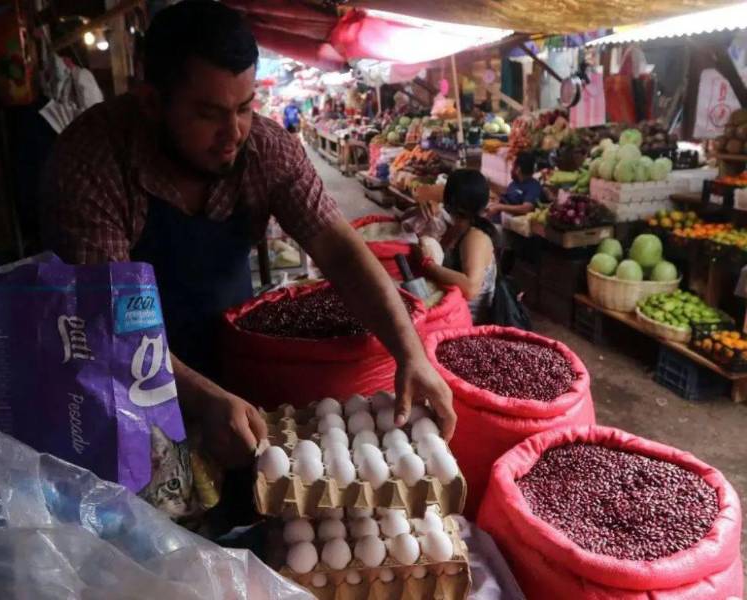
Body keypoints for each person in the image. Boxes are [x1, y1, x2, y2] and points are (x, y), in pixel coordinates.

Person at [40, 1, 454, 473]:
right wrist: (204, 398)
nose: (232, 133)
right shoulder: (93, 164)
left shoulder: (266, 150)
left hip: (230, 362)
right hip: (119, 387)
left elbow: (340, 250)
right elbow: (106, 324)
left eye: (244, 108)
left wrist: (409, 352)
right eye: (209, 114)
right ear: (153, 103)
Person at [412, 170, 497, 324]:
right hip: (451, 311)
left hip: (467, 323)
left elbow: (470, 288)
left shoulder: (475, 237)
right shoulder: (457, 227)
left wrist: (427, 264)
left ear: (449, 199)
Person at [486, 151, 541, 221]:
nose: (511, 169)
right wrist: (490, 183)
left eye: (512, 166)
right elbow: (507, 194)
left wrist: (499, 207)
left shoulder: (533, 187)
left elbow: (526, 208)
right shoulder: (516, 181)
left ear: (518, 169)